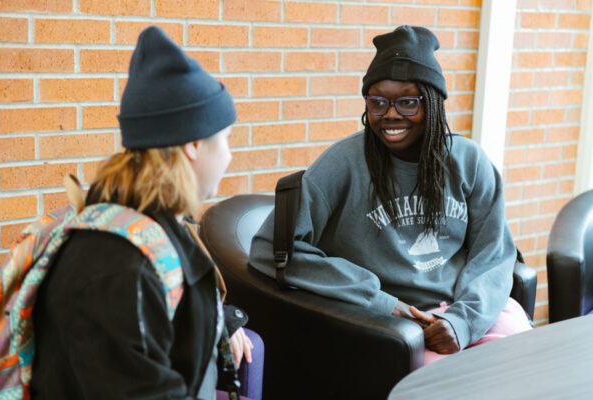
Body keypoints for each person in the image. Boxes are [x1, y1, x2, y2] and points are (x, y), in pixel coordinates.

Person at [249, 25, 532, 364]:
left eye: (408, 102)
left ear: (434, 103)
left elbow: (494, 255)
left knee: (527, 369)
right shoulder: (342, 164)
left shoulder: (468, 161)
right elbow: (271, 251)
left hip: (468, 312)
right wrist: (382, 302)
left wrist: (461, 321)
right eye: (378, 102)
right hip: (391, 326)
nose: (391, 114)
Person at [31, 26, 261, 399]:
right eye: (226, 139)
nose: (230, 156)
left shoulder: (148, 225)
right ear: (193, 144)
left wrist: (221, 321)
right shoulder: (120, 268)